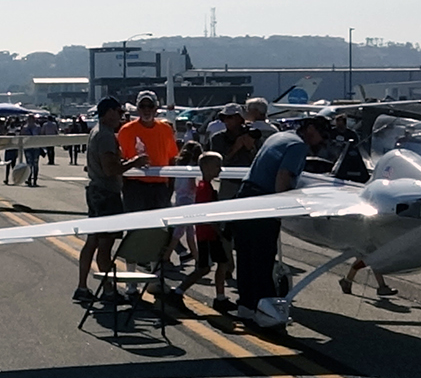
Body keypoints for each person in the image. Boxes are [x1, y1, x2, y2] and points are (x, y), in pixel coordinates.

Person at [232, 116, 331, 321]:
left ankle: (246, 306)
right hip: (263, 202)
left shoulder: (280, 136)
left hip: (244, 196)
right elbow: (283, 178)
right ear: (311, 129)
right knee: (263, 258)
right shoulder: (298, 146)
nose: (319, 142)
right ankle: (264, 309)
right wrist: (282, 210)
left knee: (246, 256)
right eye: (321, 136)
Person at [73, 98, 144, 303]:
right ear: (107, 113)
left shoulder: (97, 132)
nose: (121, 115)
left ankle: (83, 286)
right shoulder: (105, 136)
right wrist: (134, 162)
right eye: (117, 111)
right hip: (106, 194)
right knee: (105, 245)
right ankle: (109, 289)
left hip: (96, 191)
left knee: (92, 241)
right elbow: (110, 169)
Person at [118, 93, 180, 268]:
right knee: (134, 229)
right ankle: (131, 277)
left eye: (150, 106)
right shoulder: (127, 130)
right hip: (134, 185)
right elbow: (121, 159)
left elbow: (171, 158)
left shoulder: (165, 129)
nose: (146, 110)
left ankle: (154, 276)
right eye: (142, 106)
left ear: (156, 108)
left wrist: (171, 185)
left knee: (157, 231)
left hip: (159, 186)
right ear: (137, 109)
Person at [175, 151, 232, 310]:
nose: (220, 170)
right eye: (217, 166)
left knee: (222, 263)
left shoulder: (207, 187)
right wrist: (219, 232)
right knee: (204, 267)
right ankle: (178, 292)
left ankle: (220, 297)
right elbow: (205, 214)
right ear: (206, 167)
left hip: (211, 234)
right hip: (206, 234)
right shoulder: (203, 188)